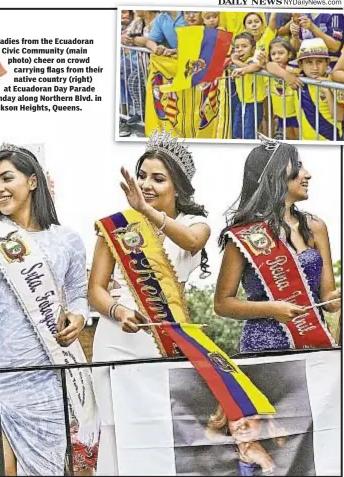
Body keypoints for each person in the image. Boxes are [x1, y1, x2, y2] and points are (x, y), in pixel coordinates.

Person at [0, 144, 96, 475]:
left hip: (45, 373)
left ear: (32, 181)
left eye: (7, 178)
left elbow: (78, 294)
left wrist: (79, 317)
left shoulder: (67, 239)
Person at [89, 130, 211, 475]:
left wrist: (146, 211)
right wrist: (119, 310)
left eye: (158, 178)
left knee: (158, 426)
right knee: (116, 430)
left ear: (178, 186)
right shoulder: (115, 228)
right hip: (116, 339)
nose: (146, 184)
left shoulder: (194, 224)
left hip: (163, 341)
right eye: (142, 176)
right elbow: (96, 290)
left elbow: (190, 241)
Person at [214, 138, 341, 352]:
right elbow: (222, 304)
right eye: (299, 166)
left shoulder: (316, 227)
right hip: (263, 348)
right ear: (275, 174)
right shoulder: (243, 234)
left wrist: (338, 299)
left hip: (312, 345)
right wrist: (272, 309)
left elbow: (327, 299)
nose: (307, 174)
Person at [294, 38, 344, 141]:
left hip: (330, 140)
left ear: (327, 62)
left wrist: (327, 91)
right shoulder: (296, 78)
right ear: (301, 64)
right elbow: (270, 66)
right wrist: (286, 76)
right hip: (305, 139)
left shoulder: (335, 82)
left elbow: (339, 116)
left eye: (319, 61)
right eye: (309, 62)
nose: (315, 67)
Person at [264, 37, 303, 140]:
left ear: (289, 54)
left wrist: (287, 74)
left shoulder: (294, 66)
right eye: (273, 54)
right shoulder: (271, 67)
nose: (276, 56)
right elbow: (269, 65)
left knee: (299, 137)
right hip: (281, 111)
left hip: (296, 111)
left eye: (281, 53)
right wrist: (286, 76)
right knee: (289, 137)